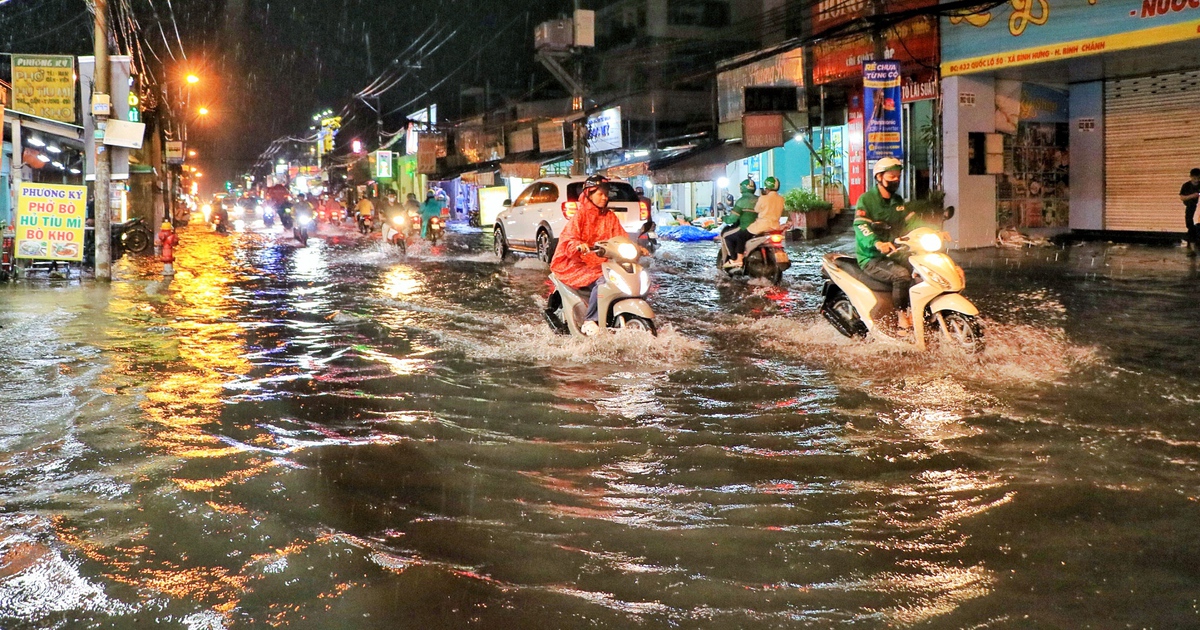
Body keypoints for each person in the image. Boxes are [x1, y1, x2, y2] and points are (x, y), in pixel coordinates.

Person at [549, 175, 638, 336]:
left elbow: (620, 236)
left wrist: (635, 247)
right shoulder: (580, 216)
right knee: (604, 280)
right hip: (577, 263)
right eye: (600, 194)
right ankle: (590, 320)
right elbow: (569, 238)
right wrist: (578, 245)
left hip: (603, 262)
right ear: (589, 194)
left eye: (606, 194)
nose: (604, 198)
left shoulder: (609, 216)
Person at [853, 157, 915, 329]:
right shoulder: (867, 199)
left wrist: (933, 231)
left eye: (898, 176)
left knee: (922, 270)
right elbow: (861, 226)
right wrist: (877, 243)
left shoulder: (898, 201)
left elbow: (910, 222)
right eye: (891, 176)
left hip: (895, 253)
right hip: (872, 257)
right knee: (901, 275)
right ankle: (902, 317)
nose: (896, 180)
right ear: (879, 177)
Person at [726, 176, 784, 268]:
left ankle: (739, 259)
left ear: (767, 188)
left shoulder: (763, 198)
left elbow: (757, 210)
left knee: (740, 236)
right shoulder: (781, 199)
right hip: (775, 226)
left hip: (761, 226)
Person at [722, 178, 759, 261]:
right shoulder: (760, 199)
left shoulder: (741, 201)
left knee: (726, 236)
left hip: (745, 227)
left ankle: (734, 259)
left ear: (742, 188)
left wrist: (724, 218)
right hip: (762, 228)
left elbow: (732, 219)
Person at [1180, 168, 1200, 256]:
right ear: (1191, 177)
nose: (1196, 180)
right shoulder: (1186, 186)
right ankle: (1192, 249)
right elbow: (1182, 197)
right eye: (1195, 178)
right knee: (1191, 228)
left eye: (1198, 178)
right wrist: (1192, 196)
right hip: (1191, 209)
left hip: (1199, 209)